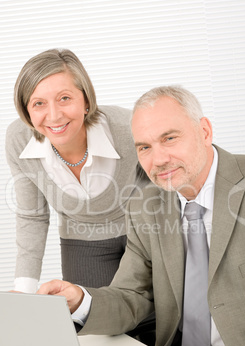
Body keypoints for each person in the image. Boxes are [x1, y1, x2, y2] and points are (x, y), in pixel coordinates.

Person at [37, 86, 245, 346]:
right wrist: (81, 301)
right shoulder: (145, 205)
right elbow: (132, 296)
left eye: (169, 138)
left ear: (204, 130)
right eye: (144, 147)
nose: (158, 159)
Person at [5, 48, 148, 293]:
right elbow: (32, 215)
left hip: (145, 228)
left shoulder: (129, 127)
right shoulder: (18, 140)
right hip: (83, 240)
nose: (54, 115)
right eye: (39, 103)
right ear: (26, 110)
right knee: (91, 322)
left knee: (159, 318)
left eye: (64, 98)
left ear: (86, 100)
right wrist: (24, 290)